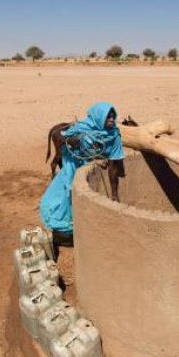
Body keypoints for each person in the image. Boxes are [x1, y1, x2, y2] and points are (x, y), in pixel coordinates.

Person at [39, 102, 125, 249]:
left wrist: (115, 193)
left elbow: (113, 165)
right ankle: (64, 230)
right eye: (108, 117)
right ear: (99, 117)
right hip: (74, 163)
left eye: (113, 116)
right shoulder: (83, 127)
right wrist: (73, 141)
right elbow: (63, 137)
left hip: (89, 162)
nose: (111, 119)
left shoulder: (114, 135)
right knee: (67, 194)